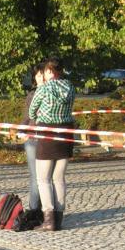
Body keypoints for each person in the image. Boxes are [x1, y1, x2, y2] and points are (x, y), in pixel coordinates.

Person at [28, 57, 75, 231]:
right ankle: (59, 218)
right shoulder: (70, 87)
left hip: (47, 135)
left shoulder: (44, 88)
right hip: (66, 134)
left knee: (43, 179)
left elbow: (32, 111)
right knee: (59, 178)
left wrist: (41, 114)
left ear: (49, 72)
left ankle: (48, 219)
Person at [21, 64, 48, 225]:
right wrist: (21, 130)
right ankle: (34, 209)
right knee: (35, 177)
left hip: (47, 138)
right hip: (32, 139)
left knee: (46, 178)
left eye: (43, 75)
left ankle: (46, 211)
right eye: (38, 75)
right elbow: (27, 117)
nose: (41, 78)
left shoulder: (51, 93)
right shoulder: (32, 95)